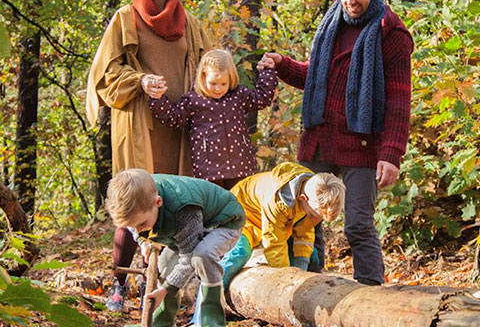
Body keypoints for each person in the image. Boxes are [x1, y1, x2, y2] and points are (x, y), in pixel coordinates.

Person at [263, 0, 413, 286]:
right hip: (321, 136)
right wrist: (283, 64)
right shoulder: (332, 21)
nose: (350, 1)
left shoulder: (392, 33)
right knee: (304, 219)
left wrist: (391, 154)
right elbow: (316, 76)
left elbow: (400, 99)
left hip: (362, 142)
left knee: (358, 223)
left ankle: (370, 298)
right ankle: (309, 289)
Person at [84, 0, 215, 311]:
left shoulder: (190, 23)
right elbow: (106, 73)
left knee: (174, 203)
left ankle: (164, 289)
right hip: (139, 124)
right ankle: (118, 283)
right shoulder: (125, 18)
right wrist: (140, 82)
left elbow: (211, 66)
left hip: (180, 128)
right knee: (133, 198)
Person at [189, 161, 344, 324]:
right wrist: (285, 279)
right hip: (239, 216)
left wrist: (299, 274)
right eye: (314, 214)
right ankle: (202, 314)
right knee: (238, 254)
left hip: (275, 224)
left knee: (310, 254)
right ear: (302, 198)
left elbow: (304, 233)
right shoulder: (277, 198)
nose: (314, 219)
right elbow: (274, 243)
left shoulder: (312, 194)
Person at [106, 169, 245, 327]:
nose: (138, 229)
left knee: (202, 256)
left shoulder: (183, 210)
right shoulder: (139, 203)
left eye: (142, 224)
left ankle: (212, 320)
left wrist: (165, 289)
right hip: (186, 230)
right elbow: (132, 227)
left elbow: (188, 259)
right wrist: (143, 242)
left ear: (158, 202)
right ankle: (162, 322)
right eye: (132, 226)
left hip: (223, 222)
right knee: (165, 266)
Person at [144, 49, 278, 189]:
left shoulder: (238, 95)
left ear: (230, 79)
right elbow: (173, 117)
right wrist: (157, 97)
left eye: (223, 84)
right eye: (213, 83)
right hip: (209, 169)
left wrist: (267, 71)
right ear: (203, 77)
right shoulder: (194, 100)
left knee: (240, 205)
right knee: (214, 206)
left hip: (241, 165)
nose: (218, 89)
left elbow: (261, 99)